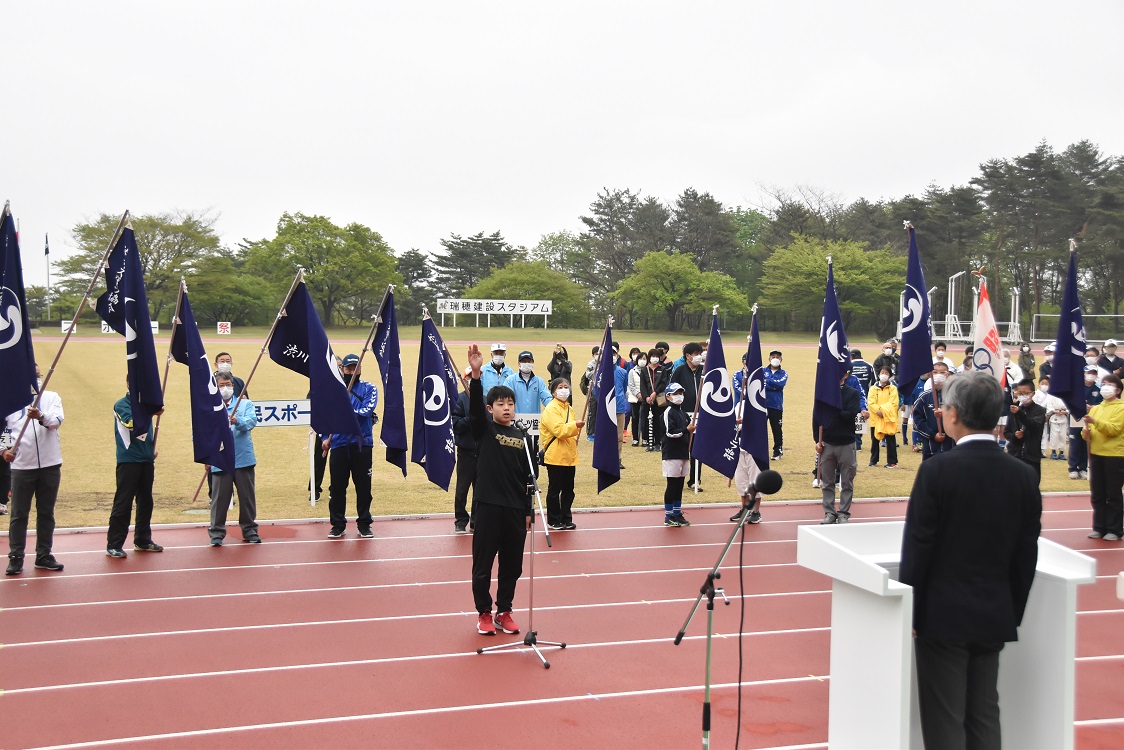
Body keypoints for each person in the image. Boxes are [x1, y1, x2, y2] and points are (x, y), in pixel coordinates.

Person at [900, 371, 1041, 750]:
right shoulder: (1023, 475)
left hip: (942, 617)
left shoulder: (937, 470)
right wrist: (1011, 610)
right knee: (983, 715)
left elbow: (918, 546)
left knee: (945, 720)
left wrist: (911, 612)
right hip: (995, 612)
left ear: (955, 414)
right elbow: (1026, 554)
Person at [465, 343, 532, 636]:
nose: (507, 408)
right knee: (482, 566)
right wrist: (478, 375)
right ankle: (483, 612)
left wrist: (528, 511)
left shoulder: (522, 436)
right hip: (488, 506)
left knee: (511, 566)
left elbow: (530, 478)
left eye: (510, 404)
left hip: (515, 510)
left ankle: (504, 610)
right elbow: (476, 411)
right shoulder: (484, 429)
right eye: (501, 404)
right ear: (492, 409)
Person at [4, 365, 65, 575]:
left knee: (46, 513)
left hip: (50, 464)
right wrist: (3, 450)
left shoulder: (51, 396)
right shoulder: (9, 399)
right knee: (19, 514)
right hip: (22, 466)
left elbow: (56, 421)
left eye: (36, 374)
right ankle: (16, 557)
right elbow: (2, 429)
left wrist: (40, 415)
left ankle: (43, 555)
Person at [106, 377, 165, 558]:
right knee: (124, 502)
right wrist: (150, 412)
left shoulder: (146, 405)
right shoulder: (121, 404)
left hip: (146, 460)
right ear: (129, 385)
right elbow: (131, 424)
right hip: (128, 460)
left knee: (146, 501)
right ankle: (114, 544)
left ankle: (143, 540)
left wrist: (150, 450)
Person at [322, 353, 379, 539]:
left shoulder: (370, 388)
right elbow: (326, 418)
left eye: (356, 368)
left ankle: (364, 524)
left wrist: (345, 411)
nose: (352, 371)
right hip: (338, 444)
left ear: (360, 369)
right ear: (342, 370)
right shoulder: (333, 391)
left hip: (362, 445)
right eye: (348, 368)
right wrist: (324, 437)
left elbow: (366, 411)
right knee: (337, 487)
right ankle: (337, 524)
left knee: (364, 487)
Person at [208, 372, 261, 545]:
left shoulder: (245, 403)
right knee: (220, 499)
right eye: (222, 385)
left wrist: (237, 420)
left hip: (243, 458)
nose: (225, 388)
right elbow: (201, 433)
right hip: (220, 459)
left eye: (228, 384)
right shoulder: (210, 407)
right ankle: (216, 533)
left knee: (246, 498)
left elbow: (252, 422)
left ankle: (249, 530)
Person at [814, 371, 861, 523]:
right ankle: (829, 512)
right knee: (827, 481)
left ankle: (843, 513)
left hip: (846, 443)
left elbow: (851, 414)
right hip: (827, 443)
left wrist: (833, 410)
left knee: (847, 480)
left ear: (846, 375)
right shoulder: (823, 395)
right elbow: (816, 418)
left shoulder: (852, 393)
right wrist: (817, 440)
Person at [1082, 373, 1124, 541]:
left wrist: (1095, 422)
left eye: (1110, 384)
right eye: (1104, 383)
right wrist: (1085, 432)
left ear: (1118, 390)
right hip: (1096, 454)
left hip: (1114, 455)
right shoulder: (1097, 408)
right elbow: (1089, 432)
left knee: (1113, 493)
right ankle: (1099, 526)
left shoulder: (1121, 408)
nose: (1105, 387)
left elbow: (1113, 429)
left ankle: (1115, 528)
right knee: (1097, 493)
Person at [540, 378, 584, 530]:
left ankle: (566, 518)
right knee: (554, 490)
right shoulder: (551, 409)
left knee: (568, 490)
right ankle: (553, 519)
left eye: (566, 386)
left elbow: (571, 431)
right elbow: (559, 430)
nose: (564, 389)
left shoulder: (569, 409)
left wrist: (576, 429)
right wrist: (575, 425)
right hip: (555, 456)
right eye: (560, 387)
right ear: (553, 392)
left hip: (569, 456)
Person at [671, 342, 705, 490]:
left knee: (697, 449)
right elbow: (672, 390)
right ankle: (679, 477)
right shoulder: (679, 371)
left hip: (701, 415)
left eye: (700, 353)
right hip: (684, 414)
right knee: (684, 447)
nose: (699, 356)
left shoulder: (704, 371)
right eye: (696, 354)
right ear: (688, 356)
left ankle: (695, 480)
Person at [661, 382, 694, 526]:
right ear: (668, 396)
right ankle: (668, 516)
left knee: (680, 484)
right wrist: (687, 430)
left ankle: (677, 512)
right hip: (672, 453)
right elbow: (670, 432)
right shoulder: (668, 412)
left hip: (683, 453)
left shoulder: (684, 414)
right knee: (672, 485)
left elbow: (690, 432)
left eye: (681, 393)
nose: (679, 396)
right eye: (676, 394)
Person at [450, 367, 477, 534]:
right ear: (464, 379)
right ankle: (460, 520)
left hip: (482, 452)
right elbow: (454, 423)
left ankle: (476, 521)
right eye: (469, 378)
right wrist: (470, 419)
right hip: (466, 451)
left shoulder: (484, 399)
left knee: (480, 490)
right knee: (462, 489)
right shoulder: (459, 399)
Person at [1005, 379, 1047, 481]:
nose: (1023, 396)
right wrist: (1015, 436)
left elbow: (1033, 425)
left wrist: (1019, 413)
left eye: (1026, 393)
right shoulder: (1014, 410)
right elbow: (1006, 432)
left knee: (1032, 486)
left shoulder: (1039, 411)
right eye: (1020, 393)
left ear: (1033, 394)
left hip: (1031, 455)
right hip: (1014, 455)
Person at [912, 362, 954, 460]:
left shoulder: (956, 397)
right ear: (930, 374)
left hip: (951, 448)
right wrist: (932, 434)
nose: (938, 375)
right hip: (930, 449)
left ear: (948, 374)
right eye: (935, 372)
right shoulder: (924, 397)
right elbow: (917, 420)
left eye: (942, 372)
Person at [1068, 365, 1103, 480]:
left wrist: (1093, 407)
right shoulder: (1076, 387)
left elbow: (1102, 404)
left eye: (1093, 373)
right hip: (1076, 417)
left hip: (1090, 418)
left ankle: (1083, 468)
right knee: (1075, 443)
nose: (1091, 375)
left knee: (1086, 443)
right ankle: (1073, 468)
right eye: (1089, 372)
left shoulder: (1098, 389)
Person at [502, 350, 552, 429]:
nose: (526, 364)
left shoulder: (539, 381)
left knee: (533, 441)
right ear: (519, 363)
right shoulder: (510, 380)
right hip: (515, 420)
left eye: (529, 361)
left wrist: (554, 408)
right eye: (524, 361)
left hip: (533, 421)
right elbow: (505, 398)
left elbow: (547, 398)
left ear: (532, 363)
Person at [867, 367, 900, 469]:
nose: (883, 374)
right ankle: (873, 460)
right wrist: (878, 411)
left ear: (889, 375)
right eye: (882, 372)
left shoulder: (893, 388)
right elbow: (871, 402)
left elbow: (894, 402)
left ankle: (892, 461)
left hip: (888, 418)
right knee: (875, 440)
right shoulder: (873, 388)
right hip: (876, 418)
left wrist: (884, 411)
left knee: (890, 440)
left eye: (886, 373)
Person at [639, 348, 669, 452]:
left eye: (656, 356)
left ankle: (658, 442)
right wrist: (646, 397)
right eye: (653, 356)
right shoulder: (644, 370)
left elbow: (663, 383)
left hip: (658, 400)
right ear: (649, 357)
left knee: (658, 421)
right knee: (646, 421)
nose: (655, 358)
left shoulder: (662, 369)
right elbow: (642, 385)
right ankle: (648, 441)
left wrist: (655, 392)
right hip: (647, 400)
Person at [1035, 375, 1068, 461]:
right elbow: (1047, 406)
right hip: (1041, 415)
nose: (1045, 385)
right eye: (1043, 383)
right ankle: (1048, 451)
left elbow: (1069, 406)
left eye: (1047, 384)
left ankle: (1059, 452)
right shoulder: (1038, 394)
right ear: (1039, 384)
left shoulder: (1053, 395)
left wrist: (1065, 411)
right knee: (1050, 435)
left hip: (1056, 416)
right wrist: (1053, 411)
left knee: (1059, 435)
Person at [764, 350, 788, 460]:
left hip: (776, 405)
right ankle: (761, 449)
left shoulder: (783, 373)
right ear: (769, 358)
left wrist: (768, 382)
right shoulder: (762, 370)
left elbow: (780, 384)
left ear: (781, 359)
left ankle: (777, 450)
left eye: (778, 357)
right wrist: (773, 385)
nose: (775, 358)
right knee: (760, 428)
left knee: (777, 428)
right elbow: (760, 384)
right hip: (762, 404)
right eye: (773, 356)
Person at [627, 354, 643, 446]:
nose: (642, 361)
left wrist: (644, 395)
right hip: (635, 398)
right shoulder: (632, 371)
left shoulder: (647, 371)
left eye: (644, 359)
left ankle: (645, 439)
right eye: (640, 359)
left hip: (646, 398)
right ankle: (635, 439)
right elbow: (631, 384)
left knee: (645, 419)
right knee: (635, 418)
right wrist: (638, 394)